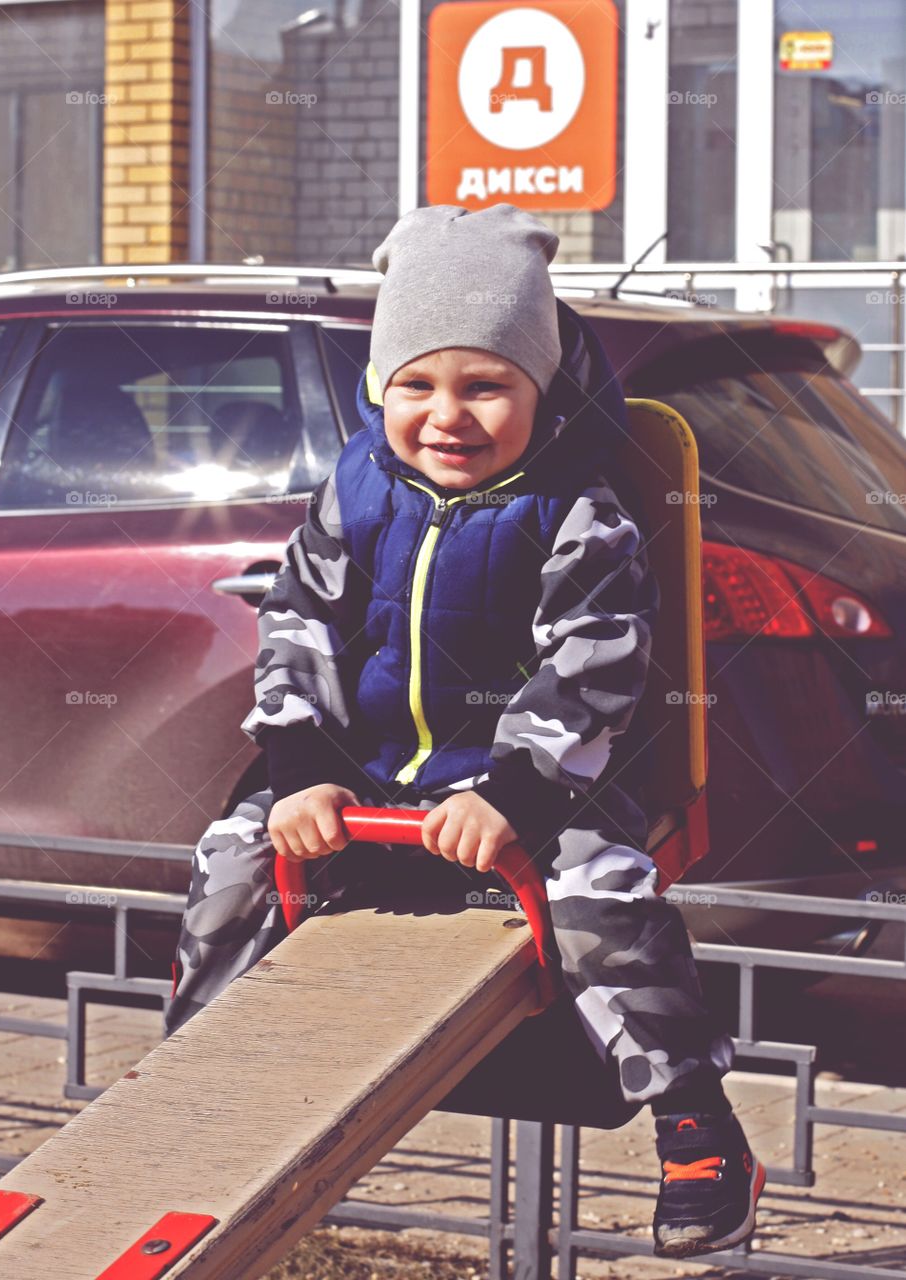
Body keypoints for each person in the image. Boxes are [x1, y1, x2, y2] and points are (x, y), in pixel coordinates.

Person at [164, 203, 764, 1259]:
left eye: (486, 384)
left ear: (541, 387)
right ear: (377, 389)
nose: (448, 415)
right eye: (416, 385)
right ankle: (193, 1079)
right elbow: (297, 619)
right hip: (365, 777)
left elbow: (594, 667)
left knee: (601, 899)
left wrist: (511, 796)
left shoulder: (576, 514)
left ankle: (693, 1121)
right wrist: (299, 764)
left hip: (532, 781)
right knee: (230, 855)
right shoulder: (352, 493)